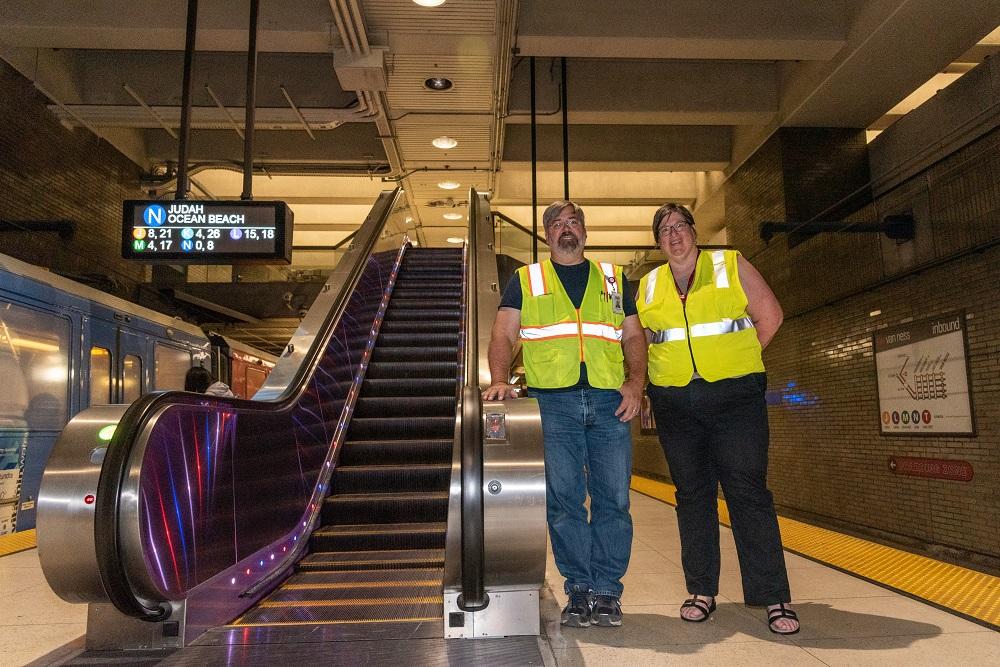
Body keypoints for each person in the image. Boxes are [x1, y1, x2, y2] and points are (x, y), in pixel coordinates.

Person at [636, 203, 799, 634]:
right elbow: (642, 339)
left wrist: (740, 365)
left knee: (747, 493)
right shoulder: (649, 284)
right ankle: (702, 591)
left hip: (734, 401)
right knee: (692, 496)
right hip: (675, 404)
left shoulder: (730, 263)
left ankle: (774, 598)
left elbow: (771, 316)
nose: (673, 235)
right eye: (664, 230)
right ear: (657, 242)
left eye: (680, 226)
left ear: (694, 230)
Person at [483, 201, 647, 628]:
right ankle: (579, 588)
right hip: (552, 404)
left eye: (573, 221)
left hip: (611, 401)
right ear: (547, 236)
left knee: (614, 498)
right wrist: (500, 378)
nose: (565, 229)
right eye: (556, 224)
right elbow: (503, 332)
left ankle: (608, 590)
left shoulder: (612, 279)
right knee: (564, 501)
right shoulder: (527, 278)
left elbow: (633, 334)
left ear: (585, 231)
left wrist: (636, 384)